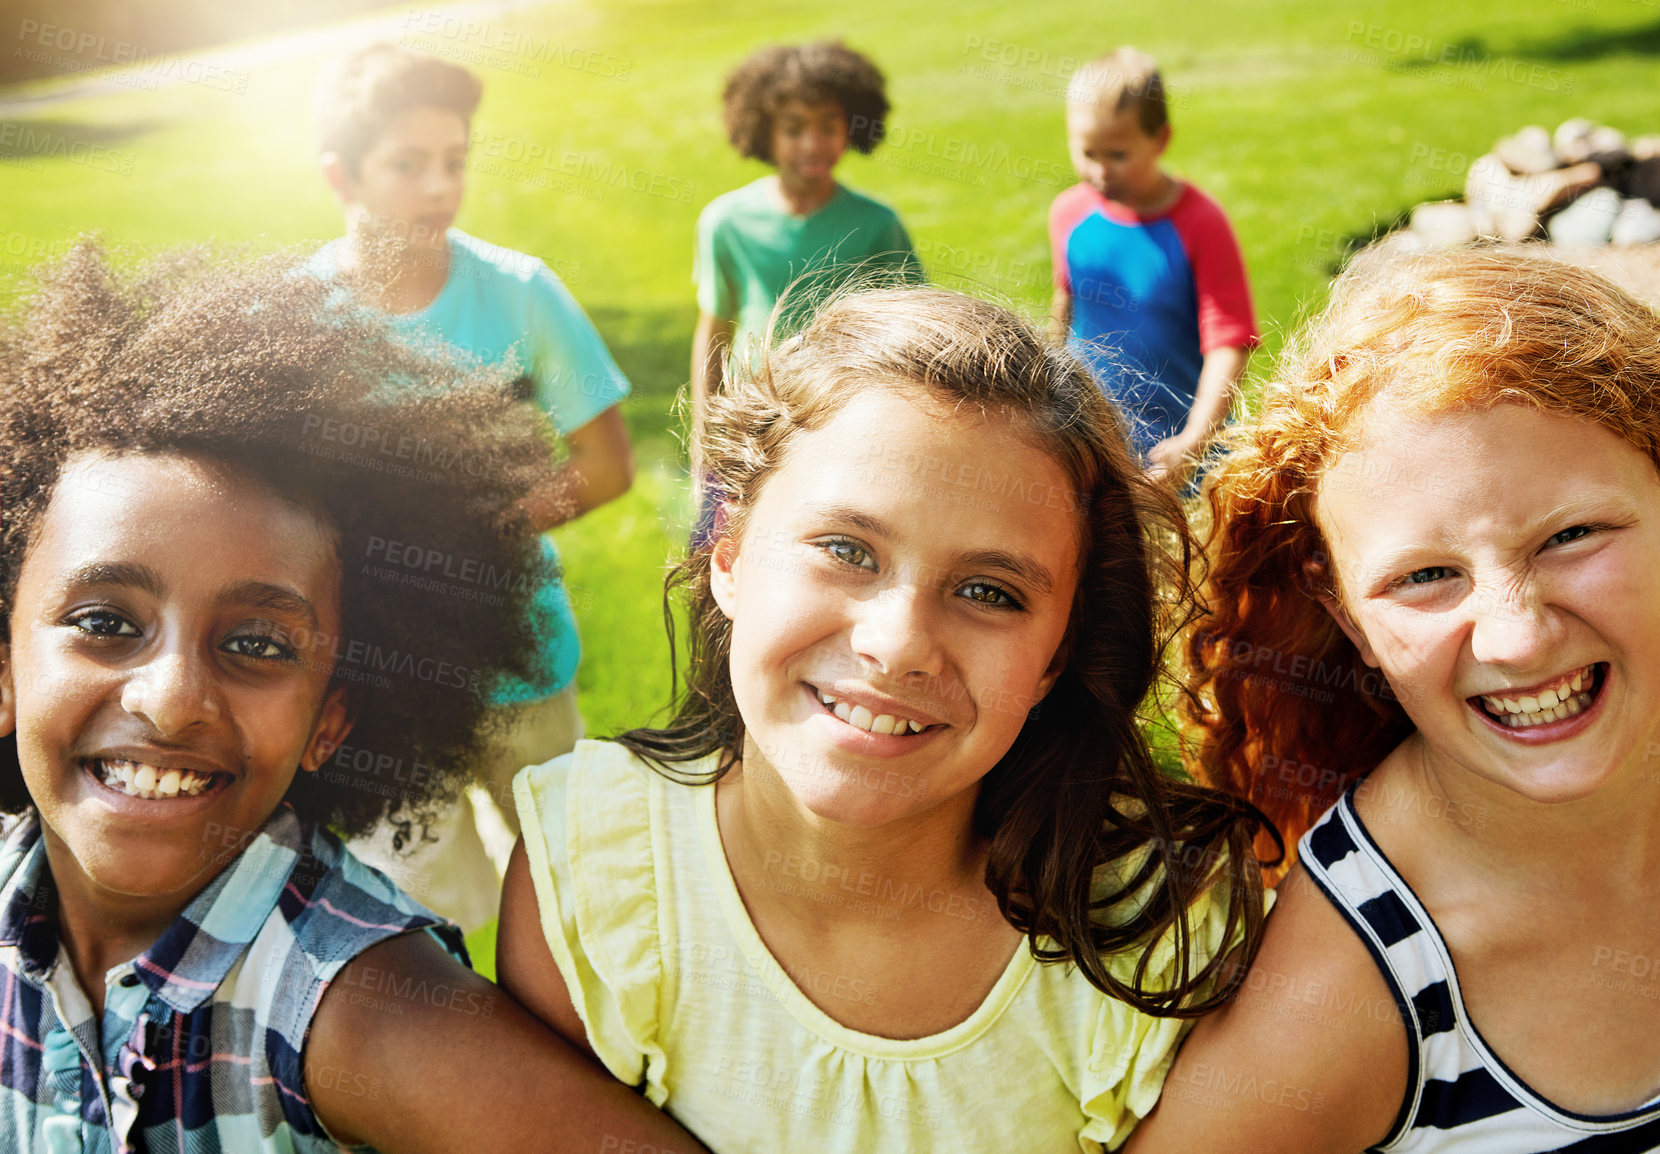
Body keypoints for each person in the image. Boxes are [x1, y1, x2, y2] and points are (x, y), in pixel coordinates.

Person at [497, 285, 1273, 1152]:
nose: (898, 644)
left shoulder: (1159, 932)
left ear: (1058, 654)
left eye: (989, 592)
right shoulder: (593, 872)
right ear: (729, 553)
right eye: (846, 550)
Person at [0, 243, 707, 1153]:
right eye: (105, 621)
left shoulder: (356, 1009)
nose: (172, 700)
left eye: (256, 645)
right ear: (7, 672)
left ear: (330, 722)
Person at [1133, 248, 1660, 1151]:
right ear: (1349, 620)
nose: (1518, 637)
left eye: (1571, 535)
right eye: (1425, 576)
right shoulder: (1343, 993)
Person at [311, 42, 635, 934]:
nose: (438, 186)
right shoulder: (300, 316)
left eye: (454, 161)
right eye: (408, 164)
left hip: (516, 645)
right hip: (378, 668)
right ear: (341, 173)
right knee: (417, 907)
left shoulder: (518, 292)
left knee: (572, 886)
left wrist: (471, 526)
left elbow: (607, 463)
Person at [690, 40, 923, 449]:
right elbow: (714, 329)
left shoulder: (878, 225)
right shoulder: (725, 222)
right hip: (753, 417)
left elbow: (910, 334)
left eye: (828, 126)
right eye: (794, 129)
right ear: (764, 132)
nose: (812, 144)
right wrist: (702, 433)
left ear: (852, 127)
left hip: (846, 415)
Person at [1049, 47, 1257, 479]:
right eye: (1088, 153)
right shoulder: (1069, 214)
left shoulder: (1200, 223)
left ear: (1160, 140)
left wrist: (1195, 440)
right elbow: (1066, 305)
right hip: (1097, 451)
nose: (1102, 171)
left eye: (1118, 155)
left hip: (1183, 451)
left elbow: (1229, 343)